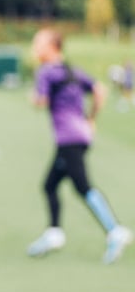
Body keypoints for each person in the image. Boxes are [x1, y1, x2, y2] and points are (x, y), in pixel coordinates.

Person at [27, 28, 132, 263]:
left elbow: (41, 101)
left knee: (82, 186)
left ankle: (115, 231)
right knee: (50, 184)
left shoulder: (45, 72)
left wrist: (34, 99)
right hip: (82, 135)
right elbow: (100, 90)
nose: (35, 48)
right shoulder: (73, 70)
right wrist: (91, 118)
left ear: (52, 46)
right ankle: (54, 233)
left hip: (68, 138)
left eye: (38, 43)